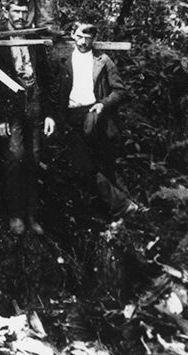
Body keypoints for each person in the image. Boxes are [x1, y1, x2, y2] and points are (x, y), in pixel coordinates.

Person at [49, 20, 137, 218]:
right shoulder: (62, 59)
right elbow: (53, 90)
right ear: (73, 35)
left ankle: (122, 209)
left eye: (88, 39)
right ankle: (121, 205)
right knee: (82, 166)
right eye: (79, 37)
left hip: (94, 115)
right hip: (70, 117)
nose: (83, 42)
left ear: (94, 40)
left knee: (103, 163)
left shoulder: (103, 60)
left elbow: (120, 91)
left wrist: (102, 104)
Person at [0, 0, 55, 236]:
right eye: (16, 11)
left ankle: (32, 215)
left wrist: (49, 114)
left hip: (34, 102)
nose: (21, 16)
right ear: (7, 12)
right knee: (16, 158)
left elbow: (46, 76)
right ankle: (15, 216)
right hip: (10, 104)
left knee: (34, 159)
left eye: (25, 12)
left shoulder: (33, 35)